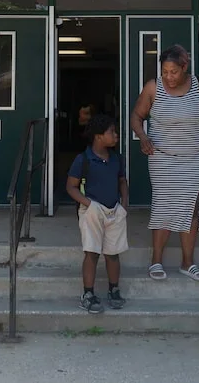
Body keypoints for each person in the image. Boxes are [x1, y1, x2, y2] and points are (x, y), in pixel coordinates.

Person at [130, 44, 199, 282]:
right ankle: (156, 260)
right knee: (164, 205)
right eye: (165, 72)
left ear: (185, 67)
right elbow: (137, 116)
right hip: (162, 158)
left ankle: (187, 263)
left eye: (174, 72)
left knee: (193, 208)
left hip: (194, 158)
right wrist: (143, 136)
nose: (168, 77)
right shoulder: (153, 88)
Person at [66, 113, 129, 313]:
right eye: (112, 132)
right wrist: (89, 204)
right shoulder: (83, 159)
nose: (116, 135)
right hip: (92, 209)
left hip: (114, 209)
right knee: (92, 252)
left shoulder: (116, 158)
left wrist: (124, 204)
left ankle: (114, 289)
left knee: (113, 253)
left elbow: (121, 181)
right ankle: (88, 293)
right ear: (98, 136)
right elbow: (71, 187)